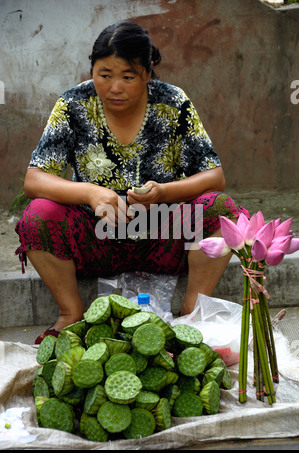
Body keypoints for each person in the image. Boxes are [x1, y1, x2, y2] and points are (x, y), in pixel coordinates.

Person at [15, 21, 249, 344]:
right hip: (97, 235)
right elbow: (34, 178)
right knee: (37, 216)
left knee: (221, 210)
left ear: (148, 73)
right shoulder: (73, 106)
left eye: (128, 76)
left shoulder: (173, 103)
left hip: (161, 231)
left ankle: (193, 310)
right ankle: (70, 312)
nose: (114, 87)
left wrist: (164, 192)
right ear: (92, 69)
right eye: (104, 74)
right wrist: (91, 193)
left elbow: (214, 177)